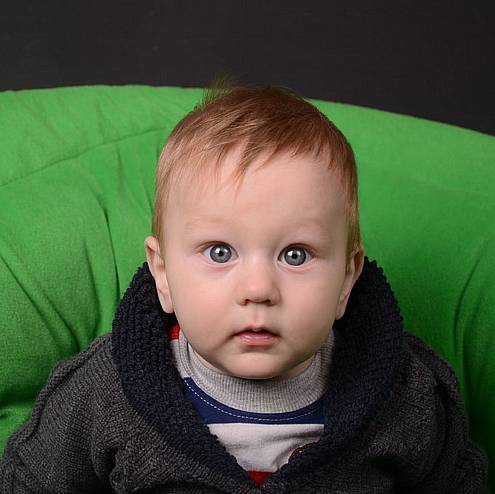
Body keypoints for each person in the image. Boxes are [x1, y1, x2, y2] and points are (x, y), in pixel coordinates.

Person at [0, 85, 489, 493]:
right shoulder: (106, 392)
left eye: (295, 255)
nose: (258, 289)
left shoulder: (405, 396)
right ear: (163, 275)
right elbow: (27, 481)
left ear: (347, 279)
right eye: (220, 253)